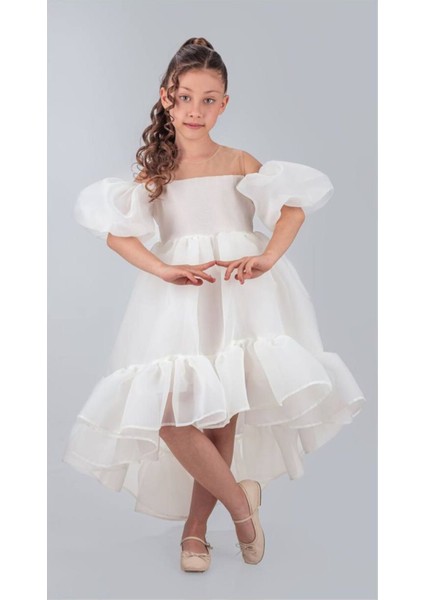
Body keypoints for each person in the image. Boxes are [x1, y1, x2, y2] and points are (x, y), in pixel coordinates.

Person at [62, 37, 366, 572]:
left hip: (239, 292)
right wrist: (161, 267)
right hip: (181, 297)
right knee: (171, 414)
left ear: (224, 104)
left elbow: (292, 207)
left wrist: (268, 256)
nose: (195, 110)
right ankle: (242, 508)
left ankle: (195, 532)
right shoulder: (157, 173)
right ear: (166, 98)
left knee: (221, 414)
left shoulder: (239, 160)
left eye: (208, 99)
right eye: (185, 97)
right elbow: (116, 232)